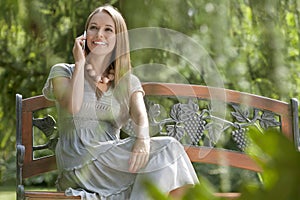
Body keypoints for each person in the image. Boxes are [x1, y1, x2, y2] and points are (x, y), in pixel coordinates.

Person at [42, 5, 199, 200]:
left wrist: (143, 140)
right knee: (170, 150)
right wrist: (80, 63)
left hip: (114, 165)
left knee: (170, 162)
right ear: (85, 33)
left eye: (108, 29)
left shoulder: (128, 81)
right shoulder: (63, 72)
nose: (99, 34)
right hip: (79, 163)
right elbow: (73, 106)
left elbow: (140, 116)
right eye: (93, 27)